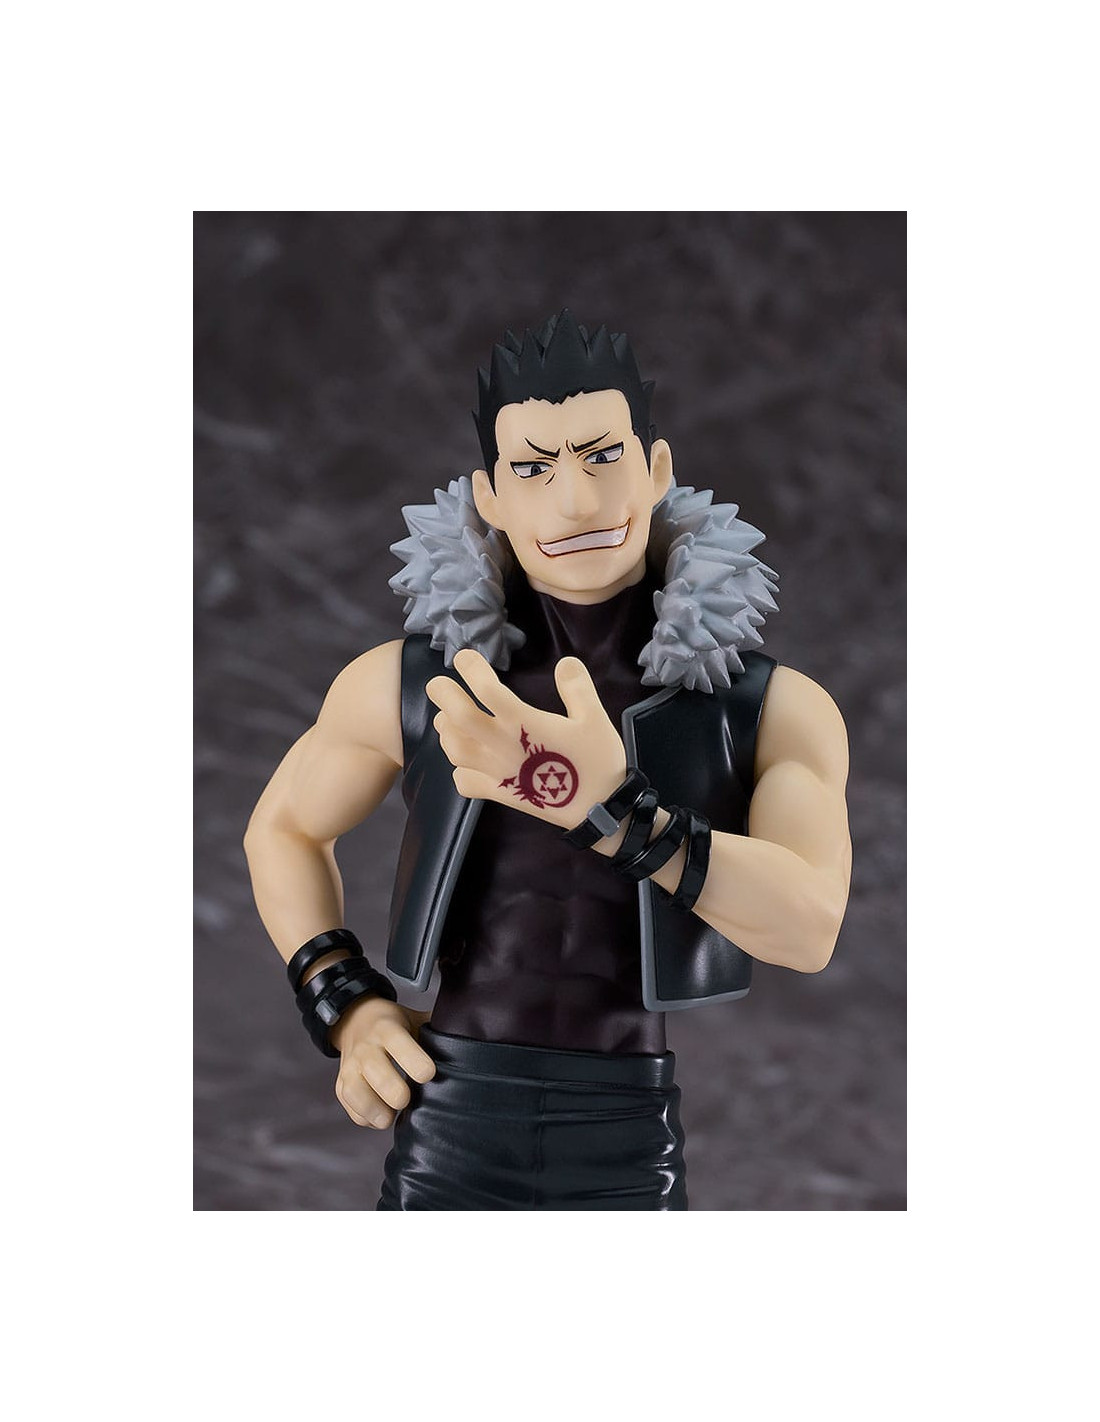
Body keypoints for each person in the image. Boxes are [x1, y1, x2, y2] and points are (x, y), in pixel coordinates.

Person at [243, 310, 852, 1210]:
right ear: (489, 495)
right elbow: (284, 828)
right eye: (534, 468)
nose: (575, 502)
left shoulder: (766, 709)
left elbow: (808, 926)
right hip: (451, 1108)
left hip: (626, 1122)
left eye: (603, 456)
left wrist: (609, 808)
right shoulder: (412, 685)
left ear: (656, 470)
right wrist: (345, 1003)